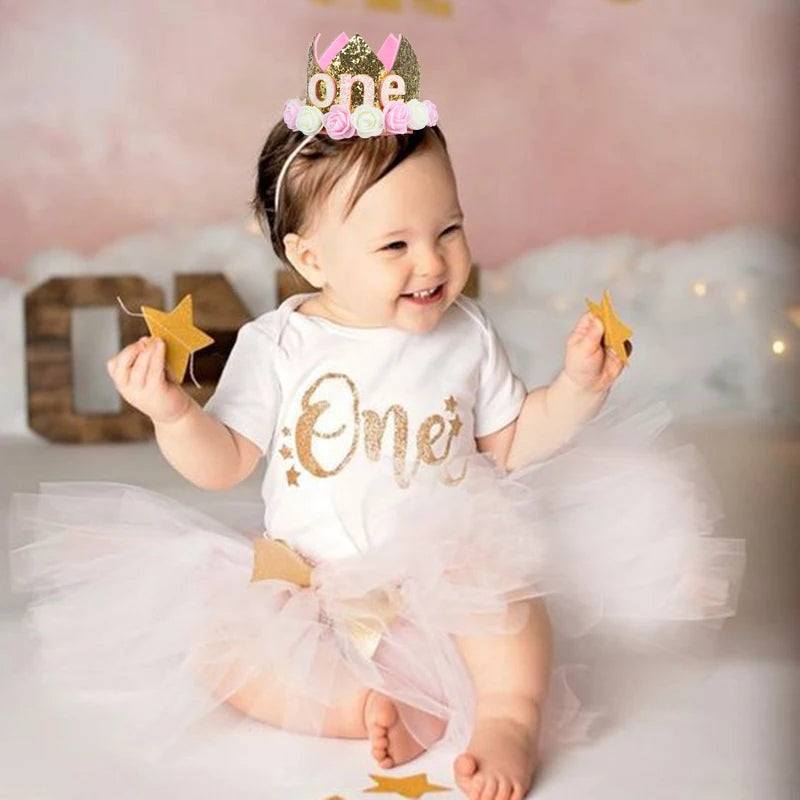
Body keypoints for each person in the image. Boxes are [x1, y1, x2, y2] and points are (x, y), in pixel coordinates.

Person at [9, 33, 745, 800]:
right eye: (394, 244)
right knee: (227, 650)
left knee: (510, 607)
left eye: (449, 230)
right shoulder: (280, 342)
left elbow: (513, 441)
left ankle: (507, 718)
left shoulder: (467, 334)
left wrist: (577, 388)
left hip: (444, 572)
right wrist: (170, 412)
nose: (431, 263)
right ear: (314, 258)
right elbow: (224, 460)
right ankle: (358, 706)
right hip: (313, 583)